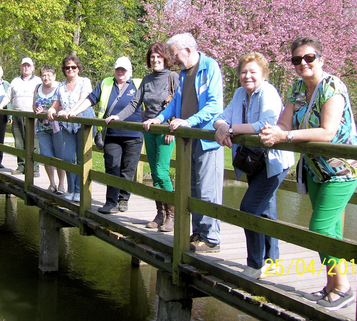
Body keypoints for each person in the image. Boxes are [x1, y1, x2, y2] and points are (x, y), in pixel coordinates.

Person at [260, 37, 357, 311]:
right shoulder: (296, 87)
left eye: (309, 58)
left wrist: (287, 135)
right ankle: (332, 285)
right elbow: (285, 120)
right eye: (296, 59)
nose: (303, 63)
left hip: (341, 169)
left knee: (319, 228)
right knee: (331, 231)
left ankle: (344, 287)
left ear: (321, 58)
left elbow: (328, 132)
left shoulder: (333, 87)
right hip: (315, 170)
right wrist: (275, 131)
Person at [213, 52, 293, 279]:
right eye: (244, 72)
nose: (248, 76)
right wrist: (221, 126)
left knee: (249, 208)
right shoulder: (240, 94)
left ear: (263, 74)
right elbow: (220, 117)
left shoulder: (268, 92)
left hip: (274, 160)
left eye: (253, 72)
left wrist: (231, 129)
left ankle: (255, 264)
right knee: (265, 210)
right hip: (252, 160)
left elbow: (265, 124)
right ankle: (273, 261)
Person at [143, 33, 224, 252]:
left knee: (208, 190)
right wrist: (159, 118)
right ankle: (198, 233)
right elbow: (175, 103)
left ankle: (211, 238)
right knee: (192, 188)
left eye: (174, 54)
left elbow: (215, 105)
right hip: (188, 140)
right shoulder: (185, 73)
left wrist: (189, 121)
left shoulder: (210, 67)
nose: (173, 59)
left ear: (187, 50)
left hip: (206, 139)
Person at [105, 43, 179, 230]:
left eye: (158, 57)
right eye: (152, 57)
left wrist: (173, 125)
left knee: (162, 171)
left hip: (166, 131)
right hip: (149, 131)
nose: (155, 60)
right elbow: (134, 104)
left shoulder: (173, 77)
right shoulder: (146, 80)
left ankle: (172, 214)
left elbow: (180, 102)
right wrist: (118, 116)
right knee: (154, 173)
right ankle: (160, 214)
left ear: (165, 58)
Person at [66, 56, 143, 214]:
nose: (120, 72)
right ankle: (110, 201)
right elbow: (91, 99)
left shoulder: (139, 84)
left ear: (130, 71)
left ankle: (123, 199)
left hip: (134, 134)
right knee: (112, 167)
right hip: (111, 134)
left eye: (124, 69)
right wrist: (73, 112)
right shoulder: (106, 83)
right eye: (118, 69)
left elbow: (153, 104)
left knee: (128, 169)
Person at [47, 55, 95, 202]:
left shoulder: (84, 82)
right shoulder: (60, 86)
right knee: (67, 158)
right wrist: (51, 110)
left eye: (73, 67)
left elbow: (83, 99)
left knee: (81, 159)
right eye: (67, 67)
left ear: (78, 68)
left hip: (83, 123)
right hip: (68, 126)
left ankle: (80, 191)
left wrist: (69, 111)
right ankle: (71, 188)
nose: (70, 70)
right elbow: (56, 103)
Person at [0, 57, 42, 176]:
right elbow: (8, 96)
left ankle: (34, 168)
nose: (26, 68)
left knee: (33, 142)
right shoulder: (15, 81)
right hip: (17, 114)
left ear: (33, 67)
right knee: (19, 142)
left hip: (32, 116)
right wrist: (0, 105)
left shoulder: (38, 81)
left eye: (28, 65)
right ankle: (21, 166)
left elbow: (43, 97)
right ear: (21, 67)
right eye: (24, 65)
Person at [34, 66, 66, 194]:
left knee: (59, 156)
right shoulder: (37, 87)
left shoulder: (60, 87)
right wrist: (37, 110)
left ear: (54, 76)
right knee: (46, 155)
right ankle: (52, 184)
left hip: (57, 127)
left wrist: (48, 111)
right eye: (43, 75)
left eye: (48, 75)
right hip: (42, 127)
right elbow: (33, 104)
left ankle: (62, 185)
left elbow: (63, 106)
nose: (45, 77)